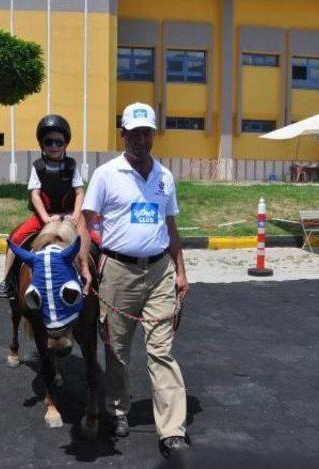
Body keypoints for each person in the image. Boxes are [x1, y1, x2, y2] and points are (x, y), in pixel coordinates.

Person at [78, 102, 190, 458]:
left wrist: (182, 272)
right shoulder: (106, 174)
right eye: (134, 133)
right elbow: (86, 221)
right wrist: (84, 262)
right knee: (117, 351)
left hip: (159, 272)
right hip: (117, 273)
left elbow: (170, 227)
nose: (141, 140)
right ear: (122, 135)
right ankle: (118, 409)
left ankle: (172, 429)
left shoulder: (165, 177)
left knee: (161, 351)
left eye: (147, 133)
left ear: (153, 135)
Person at [0, 114, 99, 298]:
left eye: (59, 142)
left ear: (65, 144)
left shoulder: (71, 165)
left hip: (69, 214)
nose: (54, 146)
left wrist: (75, 214)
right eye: (49, 142)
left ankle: (98, 280)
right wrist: (45, 218)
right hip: (45, 215)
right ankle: (7, 280)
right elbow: (35, 194)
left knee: (97, 239)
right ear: (42, 144)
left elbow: (79, 192)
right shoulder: (38, 166)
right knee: (15, 238)